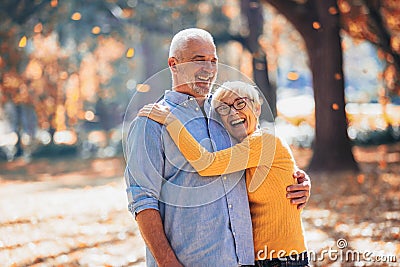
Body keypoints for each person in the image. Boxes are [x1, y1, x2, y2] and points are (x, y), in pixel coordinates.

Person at [124, 28, 311, 267]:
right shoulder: (150, 122)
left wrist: (297, 183)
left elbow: (262, 159)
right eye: (198, 60)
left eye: (213, 61)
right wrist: (168, 263)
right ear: (174, 64)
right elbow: (142, 200)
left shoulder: (228, 114)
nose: (209, 69)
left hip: (247, 259)